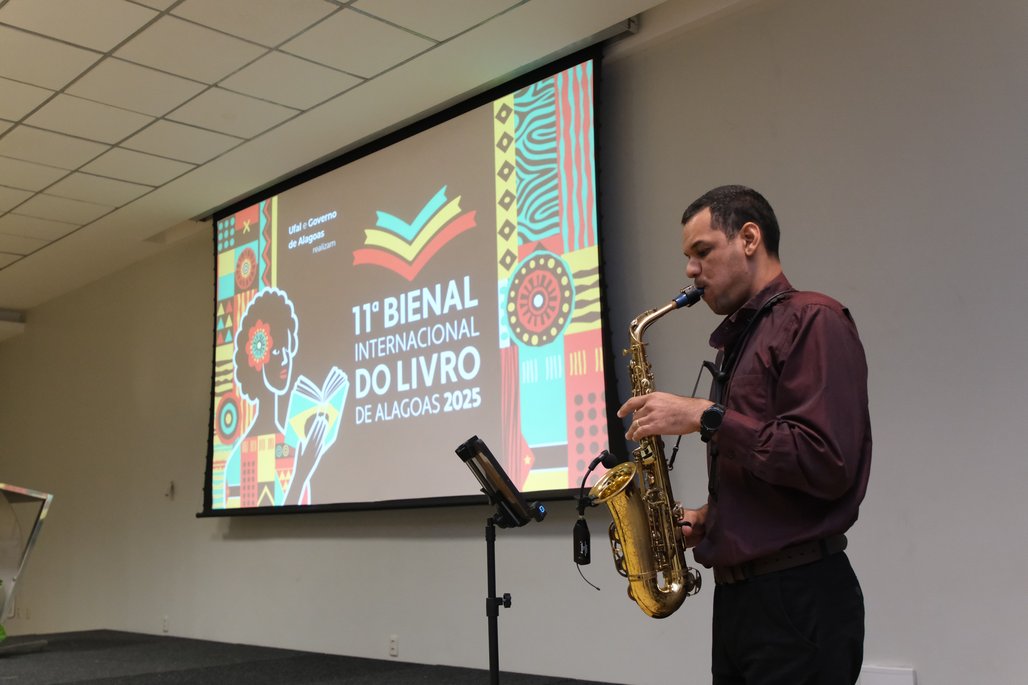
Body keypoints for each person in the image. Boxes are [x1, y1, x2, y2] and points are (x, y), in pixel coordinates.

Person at [618, 185, 871, 684]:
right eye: (688, 257)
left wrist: (708, 417)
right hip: (741, 602)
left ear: (750, 238)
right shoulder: (745, 340)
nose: (690, 270)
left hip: (798, 599)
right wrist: (711, 520)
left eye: (702, 251)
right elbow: (772, 472)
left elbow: (826, 461)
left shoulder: (813, 320)